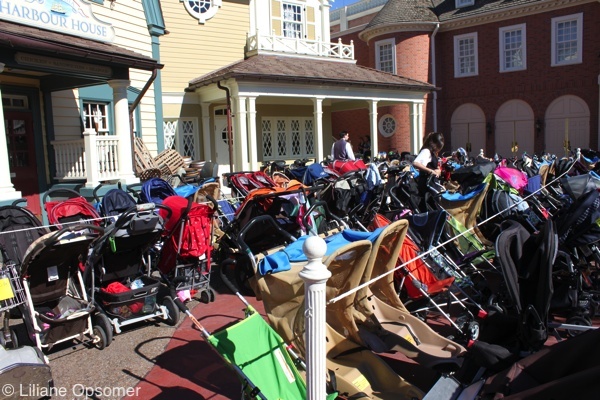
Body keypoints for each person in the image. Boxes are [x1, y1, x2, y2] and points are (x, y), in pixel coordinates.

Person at [413, 131, 444, 211]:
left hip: (432, 183)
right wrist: (430, 171)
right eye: (438, 147)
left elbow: (432, 165)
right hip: (427, 184)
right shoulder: (426, 151)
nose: (438, 149)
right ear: (433, 144)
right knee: (431, 206)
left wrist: (437, 170)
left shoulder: (432, 152)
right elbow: (416, 163)